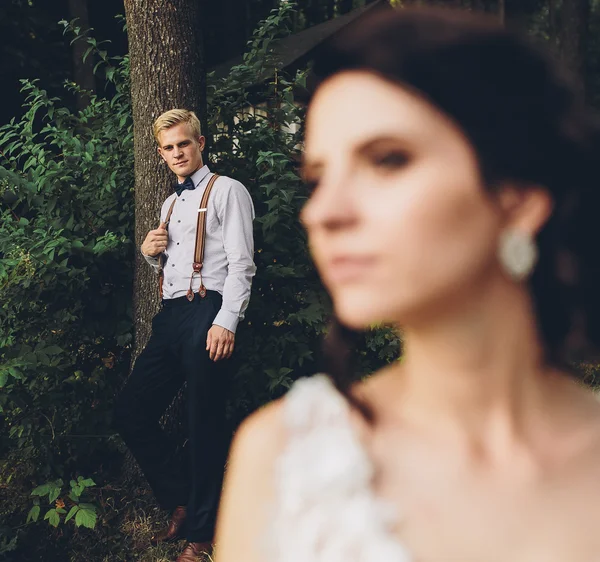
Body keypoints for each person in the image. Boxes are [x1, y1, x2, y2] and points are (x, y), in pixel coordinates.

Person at [214, 7, 600, 562]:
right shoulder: (285, 462)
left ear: (516, 197)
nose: (323, 212)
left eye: (387, 160)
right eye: (319, 178)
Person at [114, 109, 255, 562]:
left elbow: (241, 264)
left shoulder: (227, 191)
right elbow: (172, 265)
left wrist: (226, 320)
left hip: (209, 312)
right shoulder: (169, 204)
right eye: (169, 148)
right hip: (171, 316)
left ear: (201, 144)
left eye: (184, 144)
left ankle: (203, 532)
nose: (177, 153)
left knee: (204, 421)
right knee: (131, 413)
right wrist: (150, 254)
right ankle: (181, 498)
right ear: (160, 154)